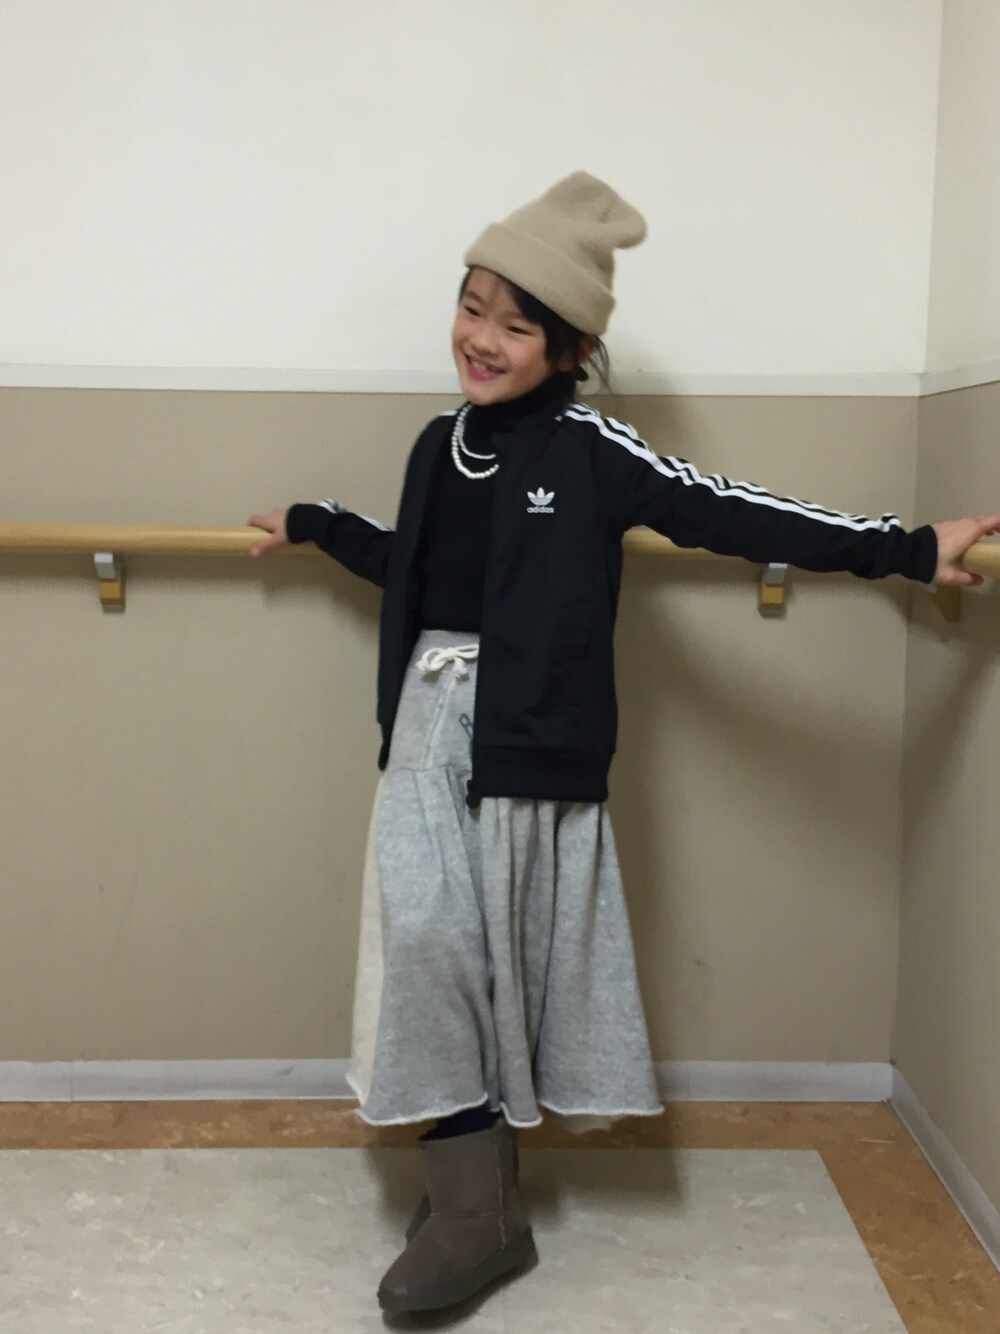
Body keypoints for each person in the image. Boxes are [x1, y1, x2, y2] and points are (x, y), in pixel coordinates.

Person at [247, 171, 1000, 1315]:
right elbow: (418, 565)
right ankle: (471, 1203)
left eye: (515, 324)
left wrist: (904, 547)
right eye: (471, 307)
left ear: (572, 347)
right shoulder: (437, 444)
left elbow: (731, 509)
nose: (481, 337)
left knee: (496, 966)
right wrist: (319, 525)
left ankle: (480, 1208)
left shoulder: (592, 448)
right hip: (426, 738)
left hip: (529, 747)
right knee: (430, 948)